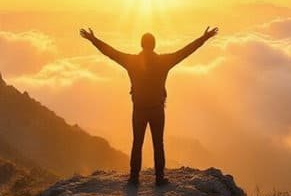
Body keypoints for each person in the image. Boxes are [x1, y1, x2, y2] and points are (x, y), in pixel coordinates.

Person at [79, 26, 218, 186]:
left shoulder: (131, 61)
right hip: (157, 110)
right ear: (154, 45)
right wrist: (204, 38)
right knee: (158, 144)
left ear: (141, 45)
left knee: (137, 143)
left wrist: (93, 40)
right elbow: (186, 51)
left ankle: (134, 178)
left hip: (139, 110)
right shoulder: (164, 61)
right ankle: (159, 178)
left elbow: (110, 52)